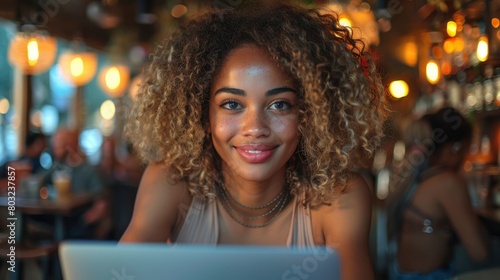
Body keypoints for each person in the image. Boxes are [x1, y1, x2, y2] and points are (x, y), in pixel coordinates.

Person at [120, 2, 388, 280]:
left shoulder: (338, 196)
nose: (255, 129)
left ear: (311, 115)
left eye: (280, 105)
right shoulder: (172, 182)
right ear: (203, 114)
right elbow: (119, 272)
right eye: (233, 104)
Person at [387, 107, 490, 279]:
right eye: (468, 148)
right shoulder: (447, 182)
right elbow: (481, 253)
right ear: (457, 147)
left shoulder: (417, 176)